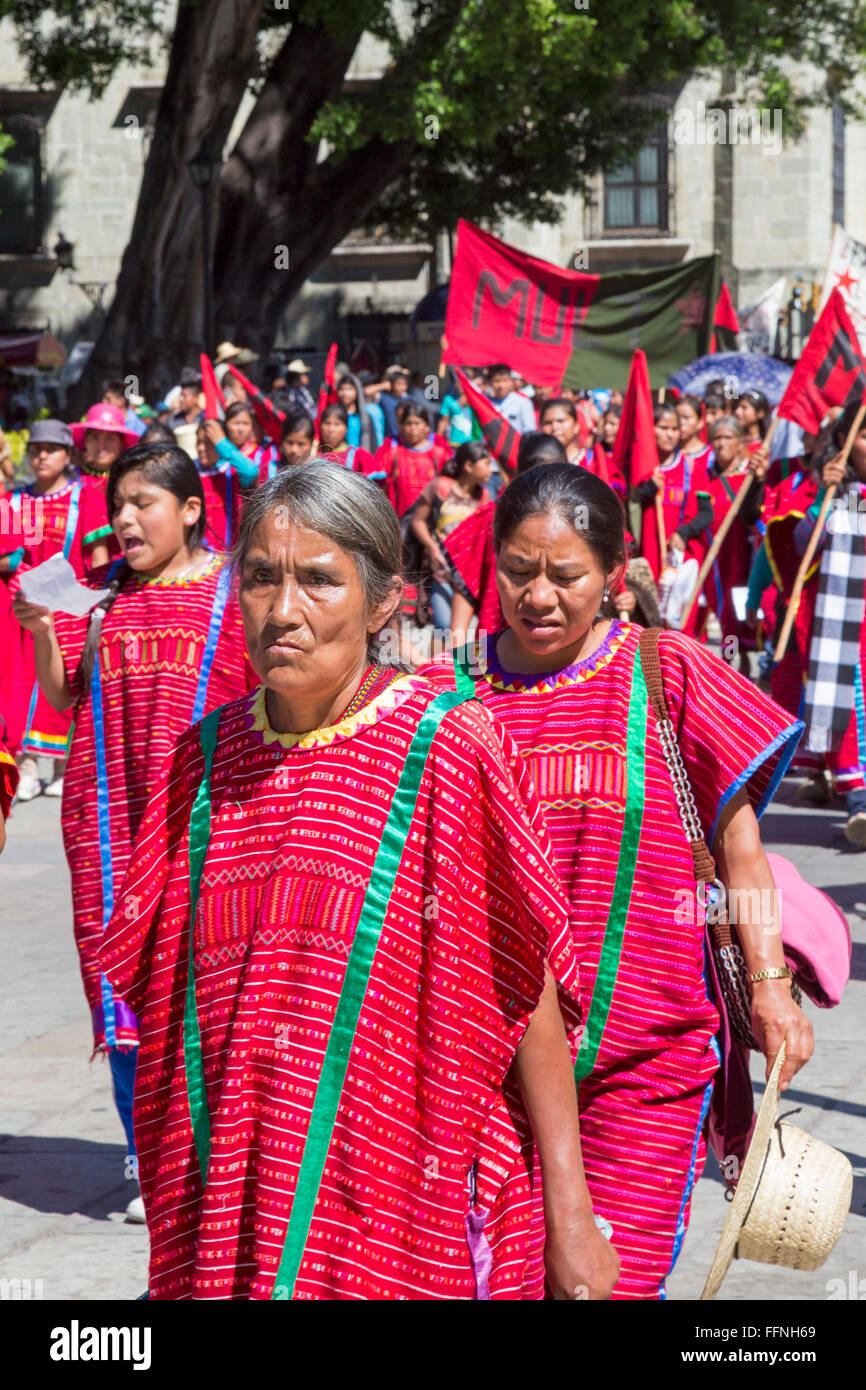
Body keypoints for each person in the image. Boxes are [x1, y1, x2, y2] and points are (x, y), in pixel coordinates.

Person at [98, 460, 619, 1302]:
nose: (284, 611)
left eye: (318, 581)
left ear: (382, 602)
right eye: (263, 578)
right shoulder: (207, 756)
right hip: (230, 1193)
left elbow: (525, 990)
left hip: (400, 1199)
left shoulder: (445, 745)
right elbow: (164, 1003)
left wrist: (571, 1212)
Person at [420, 462, 814, 1299]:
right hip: (488, 1070)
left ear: (613, 573)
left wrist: (772, 985)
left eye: (566, 576)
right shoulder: (442, 695)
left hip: (646, 1056)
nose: (539, 597)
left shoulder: (666, 674)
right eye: (519, 572)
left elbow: (739, 849)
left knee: (610, 1285)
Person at [12, 442, 252, 1220]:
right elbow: (64, 695)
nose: (123, 520)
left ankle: (213, 1158)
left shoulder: (235, 594)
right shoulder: (104, 597)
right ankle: (150, 1158)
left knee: (208, 994)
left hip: (208, 831)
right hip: (108, 829)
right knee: (121, 996)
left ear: (189, 509)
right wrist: (44, 628)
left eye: (142, 503)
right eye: (118, 505)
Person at [783, 404, 866, 846]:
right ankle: (858, 798)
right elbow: (804, 543)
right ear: (845, 445)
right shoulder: (846, 493)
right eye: (864, 436)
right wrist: (825, 499)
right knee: (851, 699)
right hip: (850, 612)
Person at [3, 421, 86, 801]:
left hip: (69, 607)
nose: (41, 456)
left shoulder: (82, 497)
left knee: (64, 685)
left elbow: (94, 553)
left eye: (51, 449)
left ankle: (64, 766)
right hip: (22, 605)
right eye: (36, 449)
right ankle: (28, 766)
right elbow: (8, 555)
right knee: (23, 687)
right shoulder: (14, 501)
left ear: (68, 455)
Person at [446, 434, 567, 644]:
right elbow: (464, 594)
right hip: (494, 655)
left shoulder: (578, 523)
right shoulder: (489, 520)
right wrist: (461, 665)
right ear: (520, 474)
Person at [638, 403, 713, 636]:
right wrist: (648, 487)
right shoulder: (642, 468)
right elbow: (626, 504)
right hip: (647, 560)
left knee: (680, 627)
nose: (670, 434)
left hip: (681, 559)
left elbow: (706, 513)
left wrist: (684, 532)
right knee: (648, 626)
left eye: (674, 428)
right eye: (663, 427)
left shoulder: (692, 467)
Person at [409, 442, 494, 631]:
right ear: (468, 466)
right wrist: (432, 547)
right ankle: (434, 661)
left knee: (456, 630)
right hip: (440, 570)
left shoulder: (483, 496)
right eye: (487, 463)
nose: (491, 469)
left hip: (464, 576)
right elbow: (418, 521)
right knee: (443, 626)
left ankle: (454, 661)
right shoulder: (441, 487)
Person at [701, 416, 764, 665]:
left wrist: (757, 480)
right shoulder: (707, 477)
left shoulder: (751, 474)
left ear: (739, 442)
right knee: (725, 609)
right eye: (716, 438)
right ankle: (728, 662)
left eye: (727, 437)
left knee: (743, 607)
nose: (721, 443)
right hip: (718, 555)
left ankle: (746, 660)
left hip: (745, 553)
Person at [71, 403, 140, 571]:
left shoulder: (134, 481)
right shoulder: (70, 481)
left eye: (109, 438)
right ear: (85, 442)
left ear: (122, 443)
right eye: (94, 438)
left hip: (122, 571)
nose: (101, 446)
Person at [373, 402, 452, 519]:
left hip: (432, 519)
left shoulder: (439, 454)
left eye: (417, 423)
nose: (413, 428)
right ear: (401, 427)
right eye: (408, 424)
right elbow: (380, 484)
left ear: (427, 427)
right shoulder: (393, 454)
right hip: (400, 518)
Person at [196, 421, 259, 551]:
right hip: (199, 552)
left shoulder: (231, 472)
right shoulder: (192, 470)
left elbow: (251, 471)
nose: (201, 448)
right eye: (198, 442)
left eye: (208, 443)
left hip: (229, 551)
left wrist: (221, 443)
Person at [540, 398, 609, 481]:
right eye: (548, 423)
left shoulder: (595, 461)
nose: (554, 427)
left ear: (576, 426)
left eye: (560, 421)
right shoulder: (537, 464)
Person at [316, 404, 376, 474]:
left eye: (337, 424)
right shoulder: (313, 455)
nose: (331, 429)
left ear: (346, 427)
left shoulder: (358, 455)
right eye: (327, 423)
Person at [336, 373, 384, 451]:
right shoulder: (335, 417)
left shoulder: (365, 418)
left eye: (349, 389)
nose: (344, 393)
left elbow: (373, 445)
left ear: (357, 392)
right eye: (341, 389)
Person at [487, 364, 536, 434]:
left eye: (505, 380)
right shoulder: (487, 402)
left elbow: (530, 431)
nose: (501, 385)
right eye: (497, 381)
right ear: (490, 382)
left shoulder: (523, 402)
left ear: (511, 381)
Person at [438, 378, 481, 447]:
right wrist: (438, 440)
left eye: (462, 382)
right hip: (454, 444)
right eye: (457, 382)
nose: (458, 384)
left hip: (472, 444)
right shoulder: (449, 399)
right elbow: (443, 421)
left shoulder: (475, 399)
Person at [677, 393, 714, 472]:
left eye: (686, 417)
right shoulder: (667, 456)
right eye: (677, 417)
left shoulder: (711, 456)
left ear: (700, 422)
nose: (681, 422)